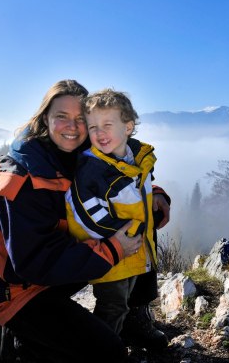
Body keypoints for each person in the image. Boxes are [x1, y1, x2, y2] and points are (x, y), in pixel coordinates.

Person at [0, 80, 166, 362]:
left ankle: (133, 318)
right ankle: (22, 340)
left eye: (81, 119)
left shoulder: (83, 150)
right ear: (45, 119)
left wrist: (156, 195)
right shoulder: (18, 179)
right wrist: (112, 250)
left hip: (61, 268)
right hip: (21, 289)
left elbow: (124, 164)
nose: (73, 127)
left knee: (136, 221)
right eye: (61, 117)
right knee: (108, 353)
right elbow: (32, 263)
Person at [65, 88, 170, 348]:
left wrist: (157, 196)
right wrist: (116, 237)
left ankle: (121, 337)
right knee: (112, 306)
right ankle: (102, 351)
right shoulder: (92, 168)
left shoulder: (135, 159)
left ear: (128, 127)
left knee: (122, 304)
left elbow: (140, 188)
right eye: (93, 127)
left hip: (131, 249)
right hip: (110, 250)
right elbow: (87, 210)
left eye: (107, 125)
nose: (99, 133)